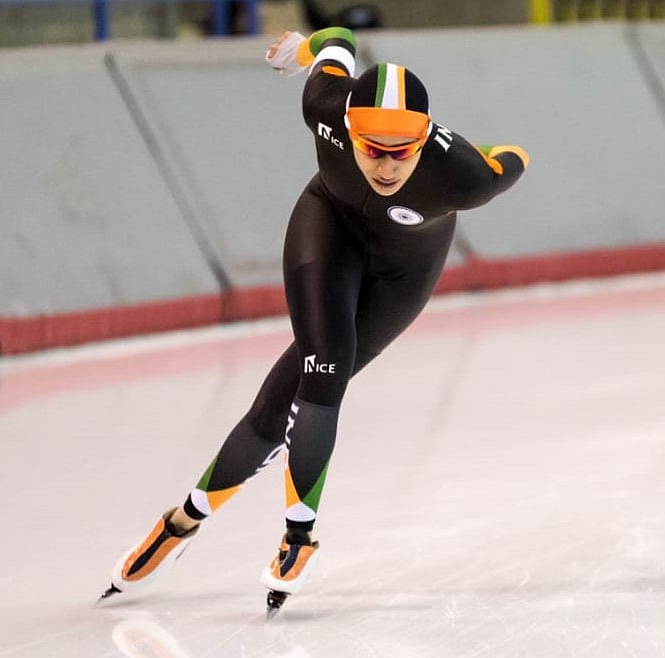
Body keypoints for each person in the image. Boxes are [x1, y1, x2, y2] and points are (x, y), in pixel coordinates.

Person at [101, 26, 529, 610]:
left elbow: (513, 160)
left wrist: (486, 152)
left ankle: (196, 522)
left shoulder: (465, 177)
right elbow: (338, 38)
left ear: (424, 139)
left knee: (289, 397)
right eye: (371, 148)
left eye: (401, 151)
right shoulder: (325, 104)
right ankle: (270, 535)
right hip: (328, 228)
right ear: (347, 128)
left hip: (401, 278)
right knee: (321, 370)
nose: (385, 166)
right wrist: (301, 50)